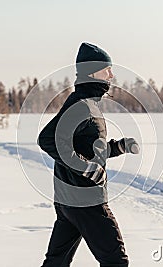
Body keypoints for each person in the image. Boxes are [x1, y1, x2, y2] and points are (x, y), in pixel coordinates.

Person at [38, 42, 139, 267]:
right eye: (107, 69)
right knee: (116, 262)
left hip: (69, 201)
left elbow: (86, 146)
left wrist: (119, 147)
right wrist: (87, 169)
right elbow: (48, 139)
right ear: (92, 72)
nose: (112, 74)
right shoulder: (82, 105)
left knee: (56, 262)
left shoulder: (86, 104)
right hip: (86, 201)